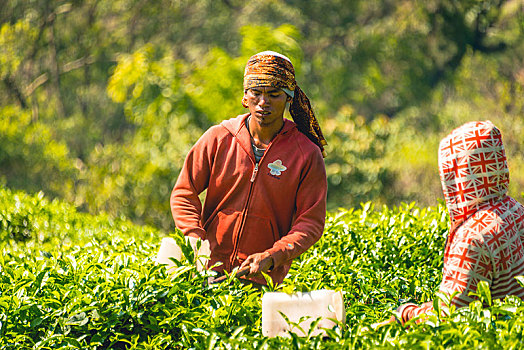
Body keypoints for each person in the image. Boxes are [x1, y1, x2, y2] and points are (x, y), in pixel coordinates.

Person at [170, 51, 328, 286]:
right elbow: (184, 192)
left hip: (259, 279)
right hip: (205, 272)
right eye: (256, 93)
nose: (263, 103)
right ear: (245, 97)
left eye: (274, 95)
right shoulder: (219, 138)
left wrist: (273, 256)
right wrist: (193, 236)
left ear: (289, 98)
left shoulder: (305, 153)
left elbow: (310, 221)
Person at [380, 120, 524, 326]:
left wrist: (407, 313)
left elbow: (448, 316)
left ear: (459, 173)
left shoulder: (473, 236)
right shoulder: (516, 210)